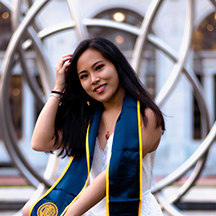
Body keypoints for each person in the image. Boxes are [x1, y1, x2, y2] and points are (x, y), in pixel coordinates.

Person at [22, 37, 165, 216]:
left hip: (132, 208)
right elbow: (40, 142)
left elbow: (113, 172)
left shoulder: (145, 116)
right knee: (30, 210)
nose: (94, 79)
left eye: (99, 67)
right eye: (84, 76)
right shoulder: (88, 119)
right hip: (93, 209)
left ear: (117, 66)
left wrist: (70, 213)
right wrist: (58, 88)